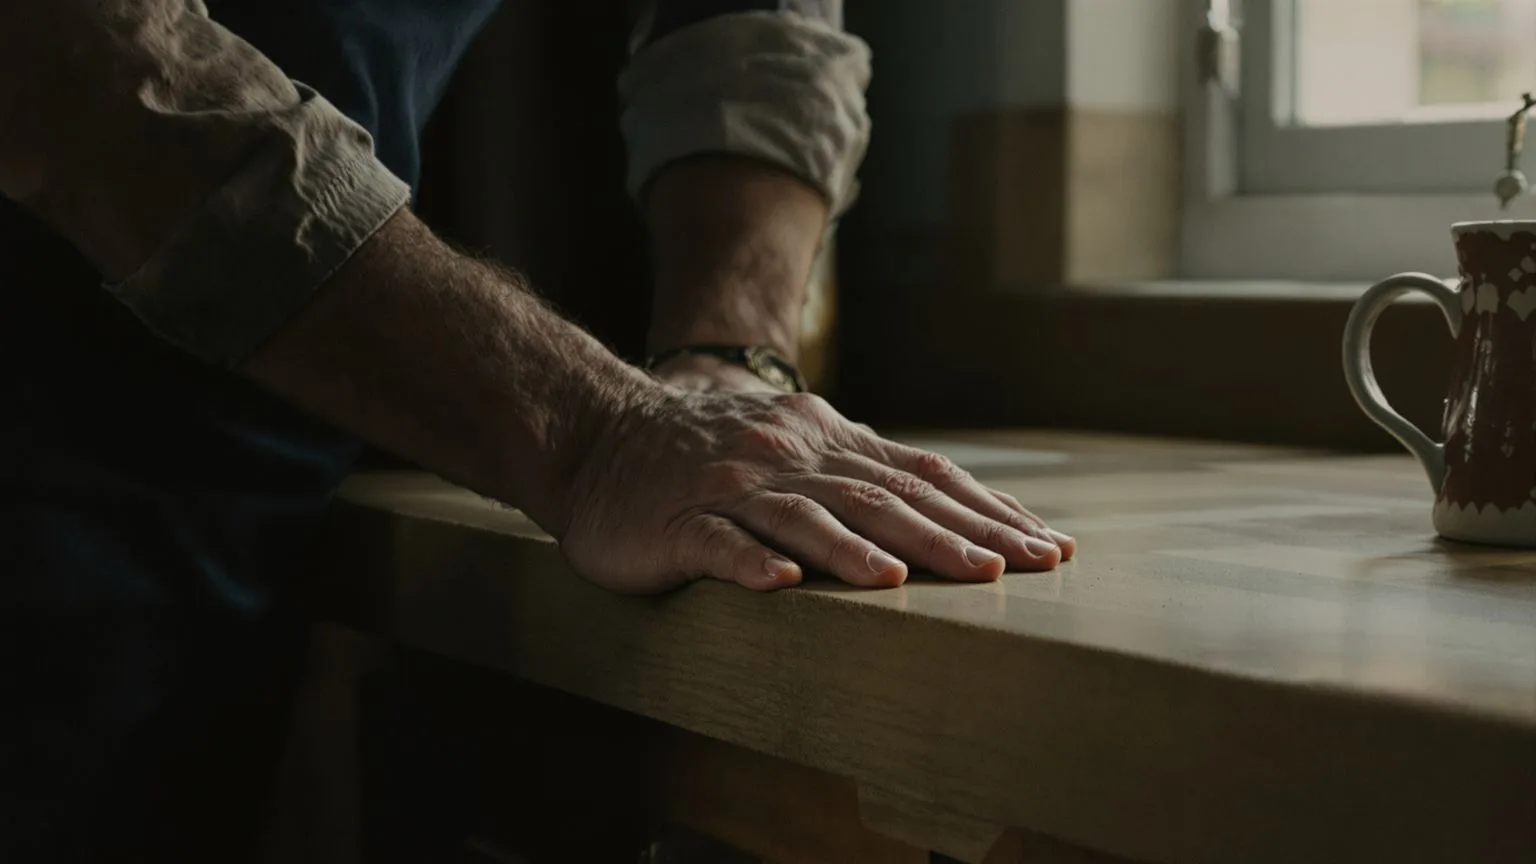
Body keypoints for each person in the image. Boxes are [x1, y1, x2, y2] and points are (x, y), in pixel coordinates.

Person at [0, 1, 1076, 860]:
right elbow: (71, 52)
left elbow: (753, 25)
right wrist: (594, 430)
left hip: (260, 477)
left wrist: (728, 356)